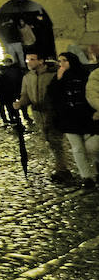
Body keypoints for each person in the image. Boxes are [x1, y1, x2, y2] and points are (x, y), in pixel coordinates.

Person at [15, 53, 70, 183]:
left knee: (55, 140)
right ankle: (61, 166)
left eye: (32, 59)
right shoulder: (27, 77)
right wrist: (20, 103)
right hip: (38, 113)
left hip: (53, 112)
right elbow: (25, 95)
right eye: (27, 60)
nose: (29, 62)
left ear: (41, 60)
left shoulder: (52, 74)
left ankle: (62, 169)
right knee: (49, 140)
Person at [51, 52, 98, 188]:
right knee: (77, 148)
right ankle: (87, 177)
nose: (62, 64)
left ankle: (96, 169)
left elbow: (91, 93)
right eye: (60, 61)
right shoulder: (58, 77)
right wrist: (58, 80)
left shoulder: (84, 74)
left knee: (91, 147)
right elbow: (53, 96)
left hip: (86, 117)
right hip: (69, 120)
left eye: (65, 60)